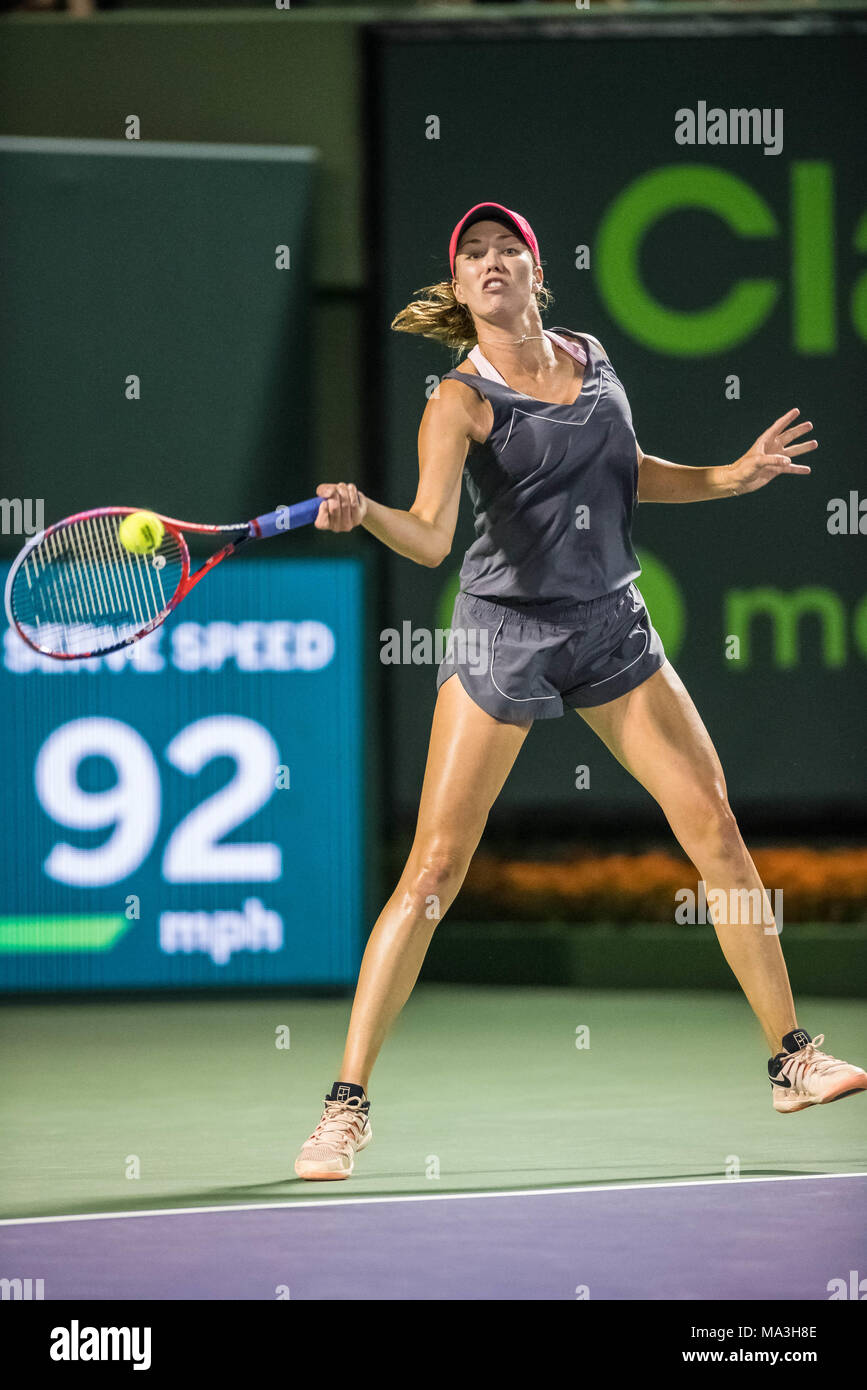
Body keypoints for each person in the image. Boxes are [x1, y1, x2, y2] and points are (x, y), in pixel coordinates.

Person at [294, 201, 866, 1180]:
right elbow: (431, 535)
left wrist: (727, 478)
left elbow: (623, 474)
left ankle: (791, 1058)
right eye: (470, 254)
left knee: (717, 829)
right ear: (462, 285)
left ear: (534, 265)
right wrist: (369, 513)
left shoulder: (591, 354)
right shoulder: (457, 400)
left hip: (611, 623)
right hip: (503, 635)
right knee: (433, 874)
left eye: (503, 247)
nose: (488, 262)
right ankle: (344, 1108)